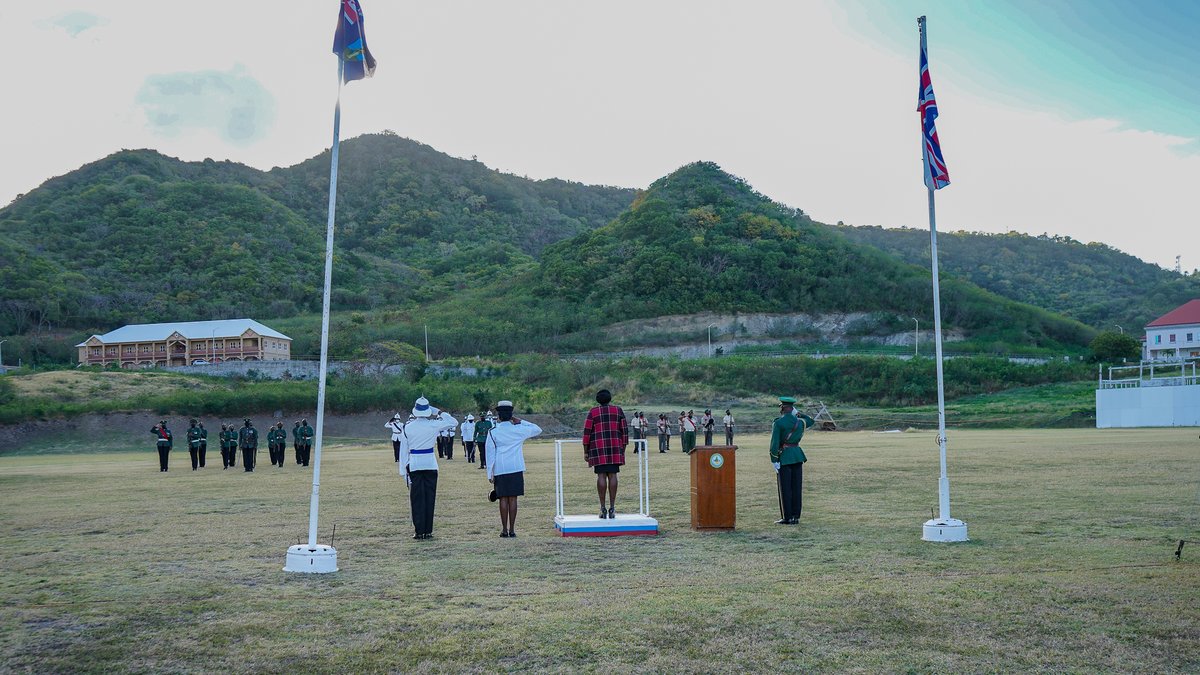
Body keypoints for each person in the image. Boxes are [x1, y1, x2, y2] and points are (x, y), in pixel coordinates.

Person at [398, 397, 458, 540]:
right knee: (430, 497)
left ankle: (419, 531)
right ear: (428, 411)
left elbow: (403, 450)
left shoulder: (407, 427)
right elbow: (453, 422)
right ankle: (428, 531)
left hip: (415, 463)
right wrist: (439, 412)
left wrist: (403, 471)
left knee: (417, 498)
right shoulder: (433, 425)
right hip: (430, 463)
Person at [485, 400, 542, 538]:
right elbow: (537, 429)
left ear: (498, 416)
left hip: (500, 467)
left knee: (503, 499)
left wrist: (489, 473)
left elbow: (490, 453)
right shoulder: (519, 429)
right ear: (511, 415)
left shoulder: (493, 431)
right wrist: (520, 421)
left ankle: (504, 530)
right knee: (513, 499)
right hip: (516, 467)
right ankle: (512, 530)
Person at [769, 396, 816, 525]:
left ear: (783, 408)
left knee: (786, 488)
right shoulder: (800, 422)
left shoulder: (778, 423)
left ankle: (788, 517)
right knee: (796, 488)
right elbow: (811, 421)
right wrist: (799, 413)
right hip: (797, 455)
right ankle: (796, 516)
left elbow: (774, 443)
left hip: (784, 457)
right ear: (792, 408)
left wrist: (774, 459)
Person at [581, 389, 628, 519]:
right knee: (613, 475)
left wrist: (585, 451)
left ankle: (603, 508)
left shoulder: (593, 412)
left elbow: (587, 432)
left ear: (598, 400)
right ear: (610, 398)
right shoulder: (618, 410)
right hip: (615, 447)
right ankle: (612, 508)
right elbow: (624, 431)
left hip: (598, 448)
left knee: (601, 475)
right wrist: (623, 448)